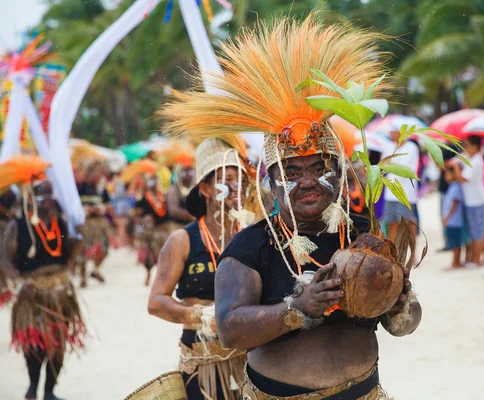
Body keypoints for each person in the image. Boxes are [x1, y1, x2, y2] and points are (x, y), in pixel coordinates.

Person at [162, 16, 422, 398]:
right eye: (292, 170)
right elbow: (230, 327)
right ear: (270, 182)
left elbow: (407, 325)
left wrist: (398, 302)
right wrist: (298, 309)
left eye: (319, 167)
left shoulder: (366, 235)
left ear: (337, 170)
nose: (307, 181)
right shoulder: (251, 246)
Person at [148, 137, 252, 399]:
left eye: (238, 178)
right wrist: (200, 316)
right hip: (202, 356)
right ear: (205, 189)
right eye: (226, 178)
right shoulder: (182, 240)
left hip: (249, 354)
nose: (235, 185)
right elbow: (156, 302)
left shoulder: (252, 235)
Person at [0, 156, 86, 400]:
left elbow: (68, 253)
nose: (48, 198)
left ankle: (49, 391)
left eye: (50, 192)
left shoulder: (60, 221)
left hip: (59, 291)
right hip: (33, 293)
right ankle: (32, 388)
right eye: (42, 193)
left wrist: (78, 239)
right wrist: (20, 283)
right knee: (36, 343)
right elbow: (4, 259)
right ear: (30, 196)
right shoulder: (18, 225)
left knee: (59, 341)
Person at [72, 143, 112, 287]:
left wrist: (101, 209)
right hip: (84, 222)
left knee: (105, 249)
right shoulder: (79, 186)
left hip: (99, 222)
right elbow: (72, 204)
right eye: (97, 171)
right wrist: (86, 209)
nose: (100, 175)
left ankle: (95, 269)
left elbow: (108, 204)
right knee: (83, 250)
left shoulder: (102, 187)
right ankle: (83, 276)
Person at [381, 132, 420, 242]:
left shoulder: (411, 147)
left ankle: (412, 254)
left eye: (393, 132)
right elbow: (383, 164)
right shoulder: (389, 146)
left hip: (405, 193)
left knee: (407, 223)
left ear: (399, 133)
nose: (391, 135)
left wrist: (390, 163)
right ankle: (395, 253)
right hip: (390, 193)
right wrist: (391, 164)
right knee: (391, 223)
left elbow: (404, 169)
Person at [458, 136, 484, 267]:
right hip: (473, 199)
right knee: (477, 230)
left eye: (468, 145)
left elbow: (463, 178)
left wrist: (455, 166)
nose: (466, 148)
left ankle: (476, 260)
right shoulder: (472, 159)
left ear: (475, 147)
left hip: (476, 200)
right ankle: (483, 258)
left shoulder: (476, 161)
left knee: (477, 232)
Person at [442, 160, 465, 269]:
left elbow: (455, 203)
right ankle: (456, 262)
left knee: (455, 243)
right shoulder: (452, 187)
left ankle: (456, 263)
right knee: (454, 242)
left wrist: (447, 216)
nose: (446, 176)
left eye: (448, 173)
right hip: (452, 221)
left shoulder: (456, 187)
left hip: (454, 221)